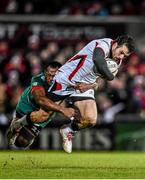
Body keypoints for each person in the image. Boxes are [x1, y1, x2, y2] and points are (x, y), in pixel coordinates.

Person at [47, 35, 135, 153]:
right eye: (121, 52)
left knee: (90, 120)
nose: (121, 56)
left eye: (125, 55)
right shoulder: (102, 45)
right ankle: (20, 122)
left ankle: (68, 130)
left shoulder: (117, 60)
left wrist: (89, 86)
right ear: (115, 44)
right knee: (41, 116)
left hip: (84, 85)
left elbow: (98, 78)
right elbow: (98, 60)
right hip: (67, 78)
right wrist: (111, 77)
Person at [6, 61, 77, 148]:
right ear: (44, 73)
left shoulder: (65, 81)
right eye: (48, 75)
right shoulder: (38, 79)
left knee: (23, 142)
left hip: (45, 112)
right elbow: (40, 100)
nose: (50, 78)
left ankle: (19, 126)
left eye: (54, 76)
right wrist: (63, 110)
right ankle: (16, 125)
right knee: (18, 136)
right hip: (27, 106)